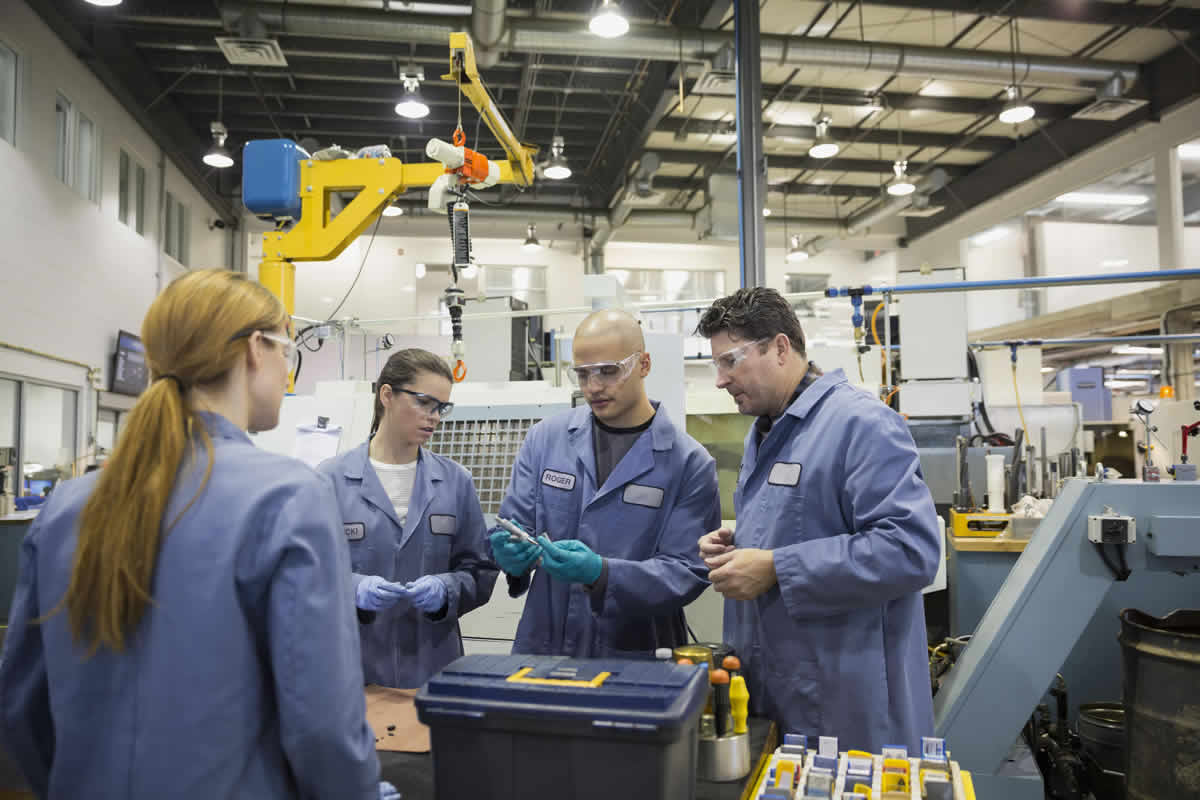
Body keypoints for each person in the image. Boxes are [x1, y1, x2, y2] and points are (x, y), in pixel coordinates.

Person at [0, 270, 396, 800]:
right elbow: (323, 727)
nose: (287, 374)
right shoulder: (287, 497)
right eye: (287, 353)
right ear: (257, 347)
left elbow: (23, 704)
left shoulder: (67, 506)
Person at [695, 287, 939, 753]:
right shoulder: (766, 429)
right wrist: (736, 545)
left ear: (781, 348)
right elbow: (799, 524)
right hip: (777, 686)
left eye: (731, 361)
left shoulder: (861, 424)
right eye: (717, 365)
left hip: (846, 701)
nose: (721, 380)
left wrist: (774, 567)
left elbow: (911, 549)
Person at [490, 310, 720, 657]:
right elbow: (515, 524)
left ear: (644, 364)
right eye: (582, 374)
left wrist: (604, 574)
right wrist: (509, 553)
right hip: (545, 649)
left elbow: (685, 571)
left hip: (637, 653)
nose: (593, 387)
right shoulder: (545, 440)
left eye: (609, 371)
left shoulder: (688, 463)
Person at [318, 349, 498, 688]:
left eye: (441, 408)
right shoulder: (329, 481)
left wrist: (446, 589)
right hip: (354, 670)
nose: (434, 417)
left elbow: (481, 572)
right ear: (387, 395)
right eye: (424, 403)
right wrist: (353, 588)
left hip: (433, 666)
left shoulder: (455, 481)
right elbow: (308, 575)